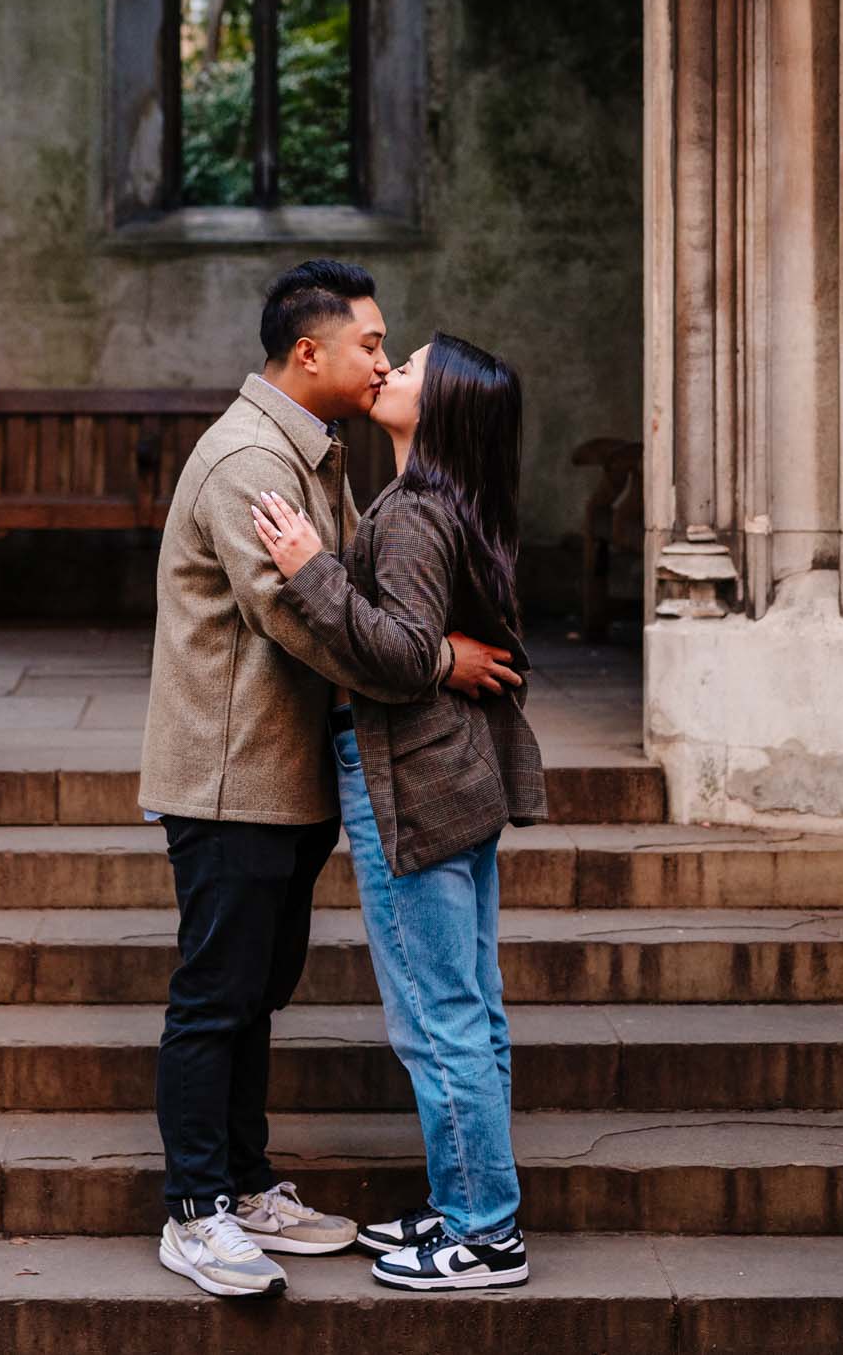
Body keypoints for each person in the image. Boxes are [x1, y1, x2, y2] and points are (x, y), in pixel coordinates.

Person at [137, 264, 518, 1299]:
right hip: (230, 778)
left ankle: (248, 1182)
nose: (383, 360)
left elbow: (345, 588)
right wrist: (438, 659)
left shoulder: (321, 453)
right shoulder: (249, 459)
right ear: (309, 351)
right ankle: (196, 1206)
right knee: (216, 996)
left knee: (257, 990)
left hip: (286, 771)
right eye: (369, 342)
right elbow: (303, 612)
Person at [251, 332, 546, 1292]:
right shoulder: (447, 502)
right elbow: (435, 642)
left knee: (435, 1013)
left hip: (412, 783)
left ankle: (482, 1231)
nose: (386, 371)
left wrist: (310, 567)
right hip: (457, 777)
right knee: (474, 1005)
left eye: (408, 366)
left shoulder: (417, 512)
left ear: (443, 406)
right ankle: (467, 1200)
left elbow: (397, 649)